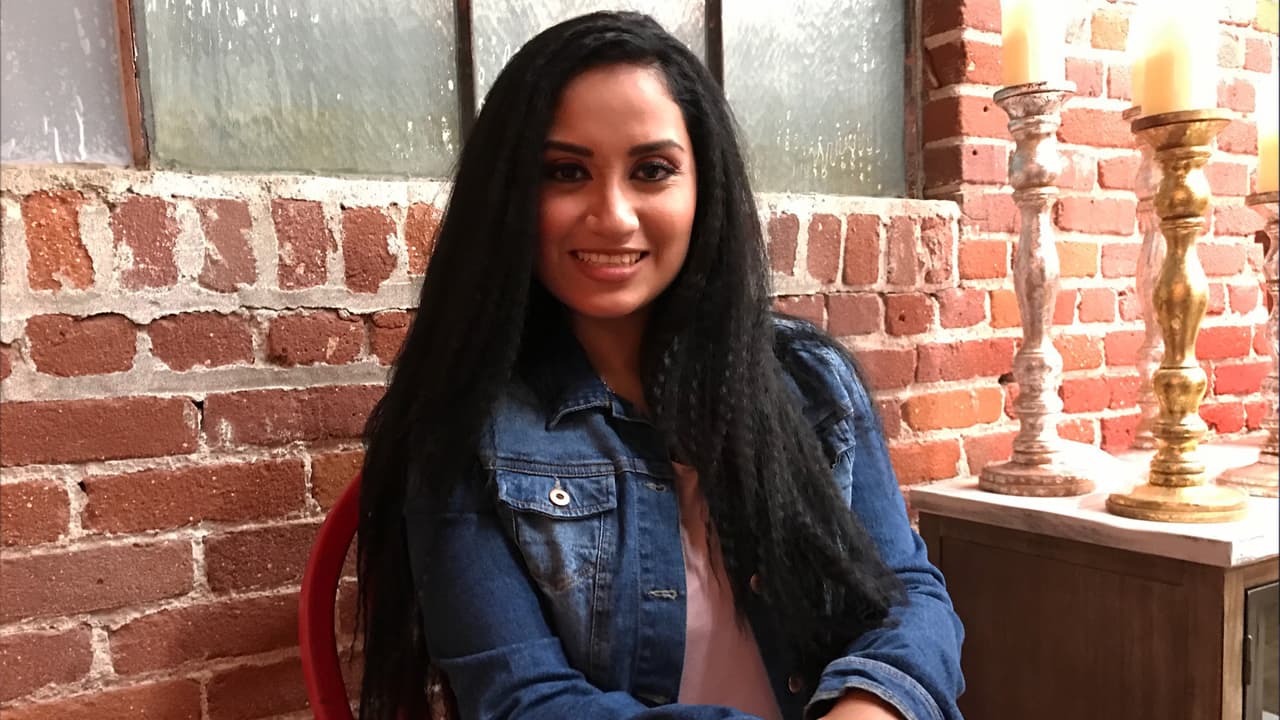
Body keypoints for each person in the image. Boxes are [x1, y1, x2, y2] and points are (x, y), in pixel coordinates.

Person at [357, 11, 964, 720]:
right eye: (566, 172)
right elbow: (524, 701)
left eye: (652, 171)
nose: (614, 215)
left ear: (703, 187)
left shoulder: (810, 382)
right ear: (509, 194)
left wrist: (872, 705)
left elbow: (908, 595)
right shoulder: (462, 430)